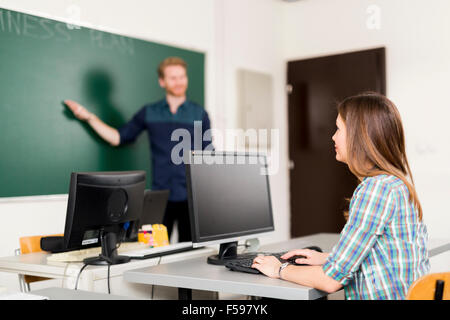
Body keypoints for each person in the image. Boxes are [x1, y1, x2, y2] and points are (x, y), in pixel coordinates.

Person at [251, 92, 430, 300]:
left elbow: (330, 280)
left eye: (339, 129)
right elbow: (384, 254)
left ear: (359, 135)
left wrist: (279, 269)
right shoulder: (396, 184)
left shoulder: (375, 190)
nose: (333, 137)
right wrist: (328, 258)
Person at [64, 57, 211, 242]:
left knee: (191, 253)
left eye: (182, 77)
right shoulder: (149, 112)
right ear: (162, 81)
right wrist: (88, 117)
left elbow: (208, 155)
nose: (179, 82)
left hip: (191, 198)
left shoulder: (199, 113)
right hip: (160, 197)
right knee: (152, 252)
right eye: (173, 78)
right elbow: (117, 137)